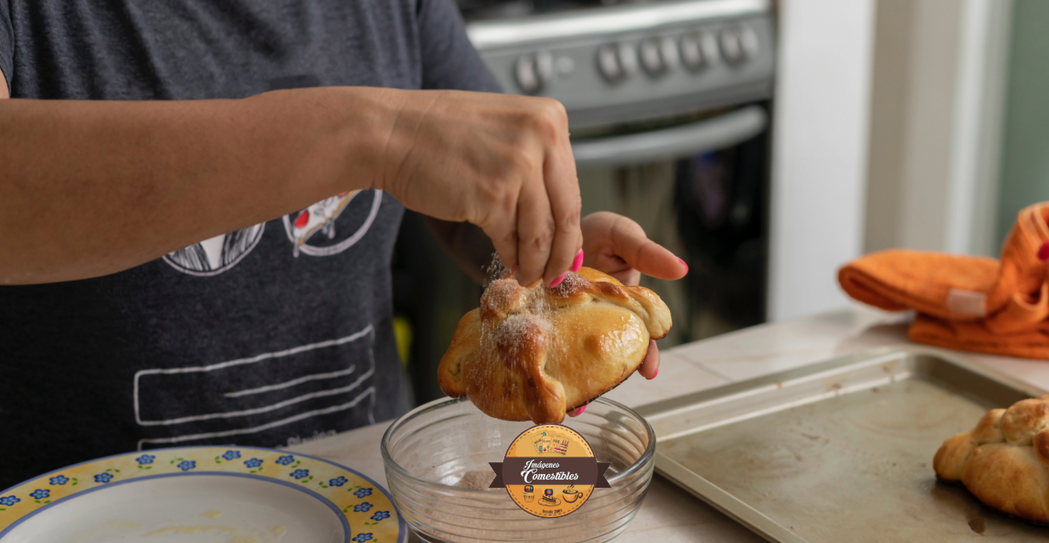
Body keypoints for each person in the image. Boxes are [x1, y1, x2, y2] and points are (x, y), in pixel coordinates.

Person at [0, 1, 688, 489]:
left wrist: (540, 254)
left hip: (362, 510)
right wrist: (377, 137)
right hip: (74, 541)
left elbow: (468, 194)